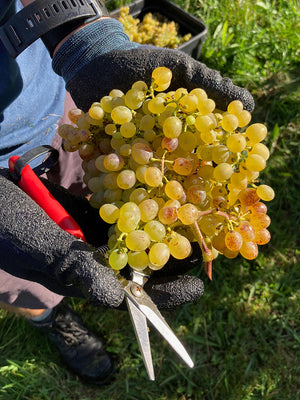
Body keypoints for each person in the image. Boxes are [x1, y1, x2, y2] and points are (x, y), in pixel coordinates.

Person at [0, 0, 255, 385]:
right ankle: (51, 318)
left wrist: (84, 37)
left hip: (68, 110)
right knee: (24, 274)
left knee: (99, 196)